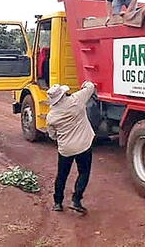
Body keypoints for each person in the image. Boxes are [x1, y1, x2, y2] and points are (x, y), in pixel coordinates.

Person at [46, 81, 96, 214]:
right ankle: (76, 200)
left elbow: (52, 135)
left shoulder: (51, 116)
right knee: (83, 172)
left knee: (62, 175)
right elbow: (91, 87)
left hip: (66, 149)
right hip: (84, 145)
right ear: (63, 94)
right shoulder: (77, 99)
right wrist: (84, 83)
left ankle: (58, 203)